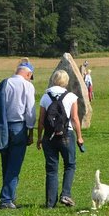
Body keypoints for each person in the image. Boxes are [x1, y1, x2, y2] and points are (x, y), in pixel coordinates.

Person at [35, 69, 84, 208]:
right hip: (66, 134)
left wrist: (39, 137)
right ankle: (66, 194)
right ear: (66, 81)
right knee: (70, 165)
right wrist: (79, 136)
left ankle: (50, 202)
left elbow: (41, 120)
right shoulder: (71, 96)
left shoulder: (45, 96)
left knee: (51, 169)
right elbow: (74, 118)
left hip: (48, 136)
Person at [0, 59, 37, 209]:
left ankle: (10, 196)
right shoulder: (27, 86)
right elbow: (30, 111)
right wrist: (31, 131)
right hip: (19, 127)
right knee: (15, 164)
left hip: (3, 126)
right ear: (28, 74)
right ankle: (6, 199)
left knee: (6, 162)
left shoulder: (5, 83)